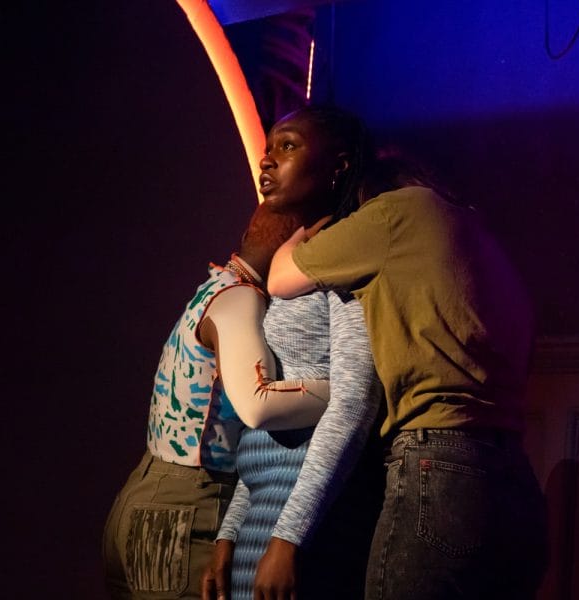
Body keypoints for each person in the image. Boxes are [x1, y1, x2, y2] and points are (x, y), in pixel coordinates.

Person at [268, 134, 549, 598]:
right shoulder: (479, 233)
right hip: (515, 479)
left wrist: (299, 236)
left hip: (441, 464)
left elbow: (281, 278)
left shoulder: (394, 213)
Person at [103, 202, 334, 600]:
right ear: (293, 243)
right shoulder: (239, 297)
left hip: (149, 494)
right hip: (184, 508)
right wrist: (346, 392)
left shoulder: (214, 287)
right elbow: (257, 404)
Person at [201, 105, 384, 600]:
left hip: (304, 523)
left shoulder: (346, 262)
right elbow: (274, 434)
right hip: (261, 518)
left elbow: (352, 402)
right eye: (267, 150)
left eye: (287, 146)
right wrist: (228, 535)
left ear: (339, 165)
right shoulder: (299, 265)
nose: (267, 162)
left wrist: (289, 539)